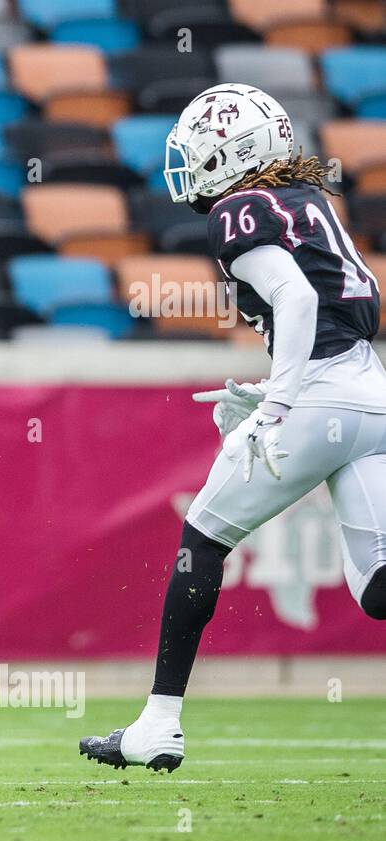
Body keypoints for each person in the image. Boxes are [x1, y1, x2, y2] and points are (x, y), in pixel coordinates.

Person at [81, 84, 384, 773]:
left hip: (320, 392)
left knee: (203, 541)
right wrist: (279, 381)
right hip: (372, 392)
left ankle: (159, 724)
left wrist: (279, 402)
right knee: (377, 588)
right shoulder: (309, 202)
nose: (189, 162)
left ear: (233, 153)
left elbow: (298, 297)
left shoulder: (238, 210)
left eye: (199, 149)